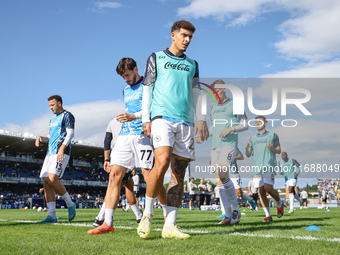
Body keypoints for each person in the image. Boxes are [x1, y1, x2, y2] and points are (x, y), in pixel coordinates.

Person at [138, 20, 209, 240]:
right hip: (162, 118)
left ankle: (170, 225)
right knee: (162, 161)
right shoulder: (156, 57)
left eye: (190, 37)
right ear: (173, 35)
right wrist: (145, 118)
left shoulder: (193, 64)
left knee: (179, 172)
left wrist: (202, 118)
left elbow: (197, 93)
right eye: (184, 35)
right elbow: (147, 89)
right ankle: (147, 214)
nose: (187, 40)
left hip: (186, 122)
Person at [88, 58, 166, 235]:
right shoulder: (125, 89)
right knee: (114, 176)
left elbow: (153, 109)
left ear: (136, 69)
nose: (126, 79)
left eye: (128, 75)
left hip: (143, 135)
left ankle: (167, 213)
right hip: (125, 136)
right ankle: (108, 223)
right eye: (123, 77)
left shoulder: (149, 84)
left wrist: (134, 116)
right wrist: (127, 118)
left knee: (150, 176)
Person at [196, 79, 249, 225]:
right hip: (215, 147)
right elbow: (214, 128)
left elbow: (245, 124)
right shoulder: (213, 108)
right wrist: (204, 135)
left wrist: (231, 129)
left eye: (218, 91)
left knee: (224, 174)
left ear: (224, 89)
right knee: (219, 182)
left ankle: (236, 211)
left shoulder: (234, 104)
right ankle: (227, 215)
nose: (215, 94)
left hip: (229, 145)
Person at [92, 118, 143, 227]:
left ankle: (138, 215)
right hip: (125, 156)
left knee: (125, 184)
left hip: (117, 156)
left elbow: (107, 140)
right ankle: (101, 218)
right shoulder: (133, 119)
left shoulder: (112, 121)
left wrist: (106, 159)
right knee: (116, 185)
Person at [35, 95, 76, 223]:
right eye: (49, 106)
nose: (51, 108)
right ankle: (52, 216)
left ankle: (70, 204)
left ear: (59, 103)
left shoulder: (67, 115)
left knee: (53, 179)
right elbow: (50, 135)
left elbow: (70, 133)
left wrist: (62, 149)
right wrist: (41, 137)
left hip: (61, 152)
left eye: (52, 105)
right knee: (46, 182)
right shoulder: (52, 120)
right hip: (50, 153)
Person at [245, 115, 284, 223]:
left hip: (269, 166)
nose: (257, 123)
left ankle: (279, 203)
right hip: (257, 168)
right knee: (261, 191)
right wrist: (246, 149)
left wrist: (272, 148)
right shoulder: (252, 138)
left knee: (268, 188)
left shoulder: (273, 135)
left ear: (265, 123)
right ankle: (268, 215)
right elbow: (248, 154)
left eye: (259, 122)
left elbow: (279, 150)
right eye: (256, 122)